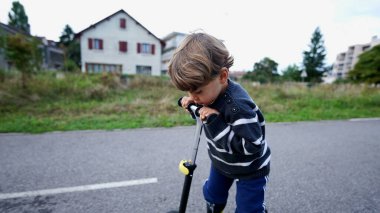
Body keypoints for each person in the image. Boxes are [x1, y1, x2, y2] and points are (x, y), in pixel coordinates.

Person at [168, 32, 271, 213]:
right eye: (189, 92)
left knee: (249, 209)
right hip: (222, 162)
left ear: (223, 76)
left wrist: (214, 121)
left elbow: (252, 147)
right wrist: (196, 108)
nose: (194, 97)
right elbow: (207, 117)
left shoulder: (239, 108)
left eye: (197, 91)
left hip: (250, 169)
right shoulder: (209, 94)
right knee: (212, 195)